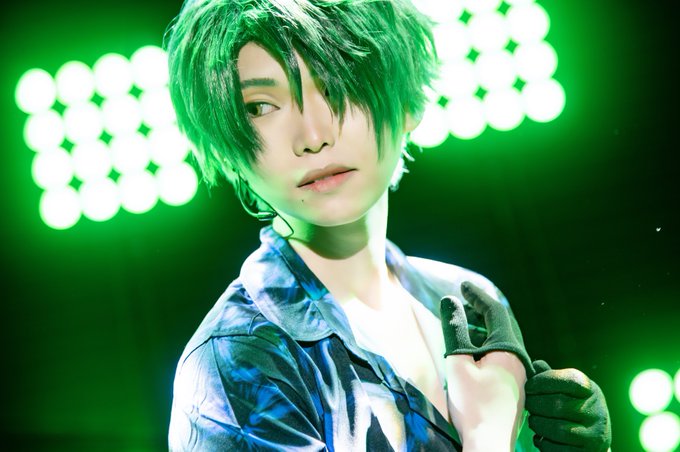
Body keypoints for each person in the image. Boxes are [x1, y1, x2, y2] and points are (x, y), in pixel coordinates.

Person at [164, 0, 611, 450]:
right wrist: (487, 438)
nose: (313, 137)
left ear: (408, 101)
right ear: (227, 150)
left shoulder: (468, 300)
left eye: (338, 85)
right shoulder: (237, 361)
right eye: (261, 107)